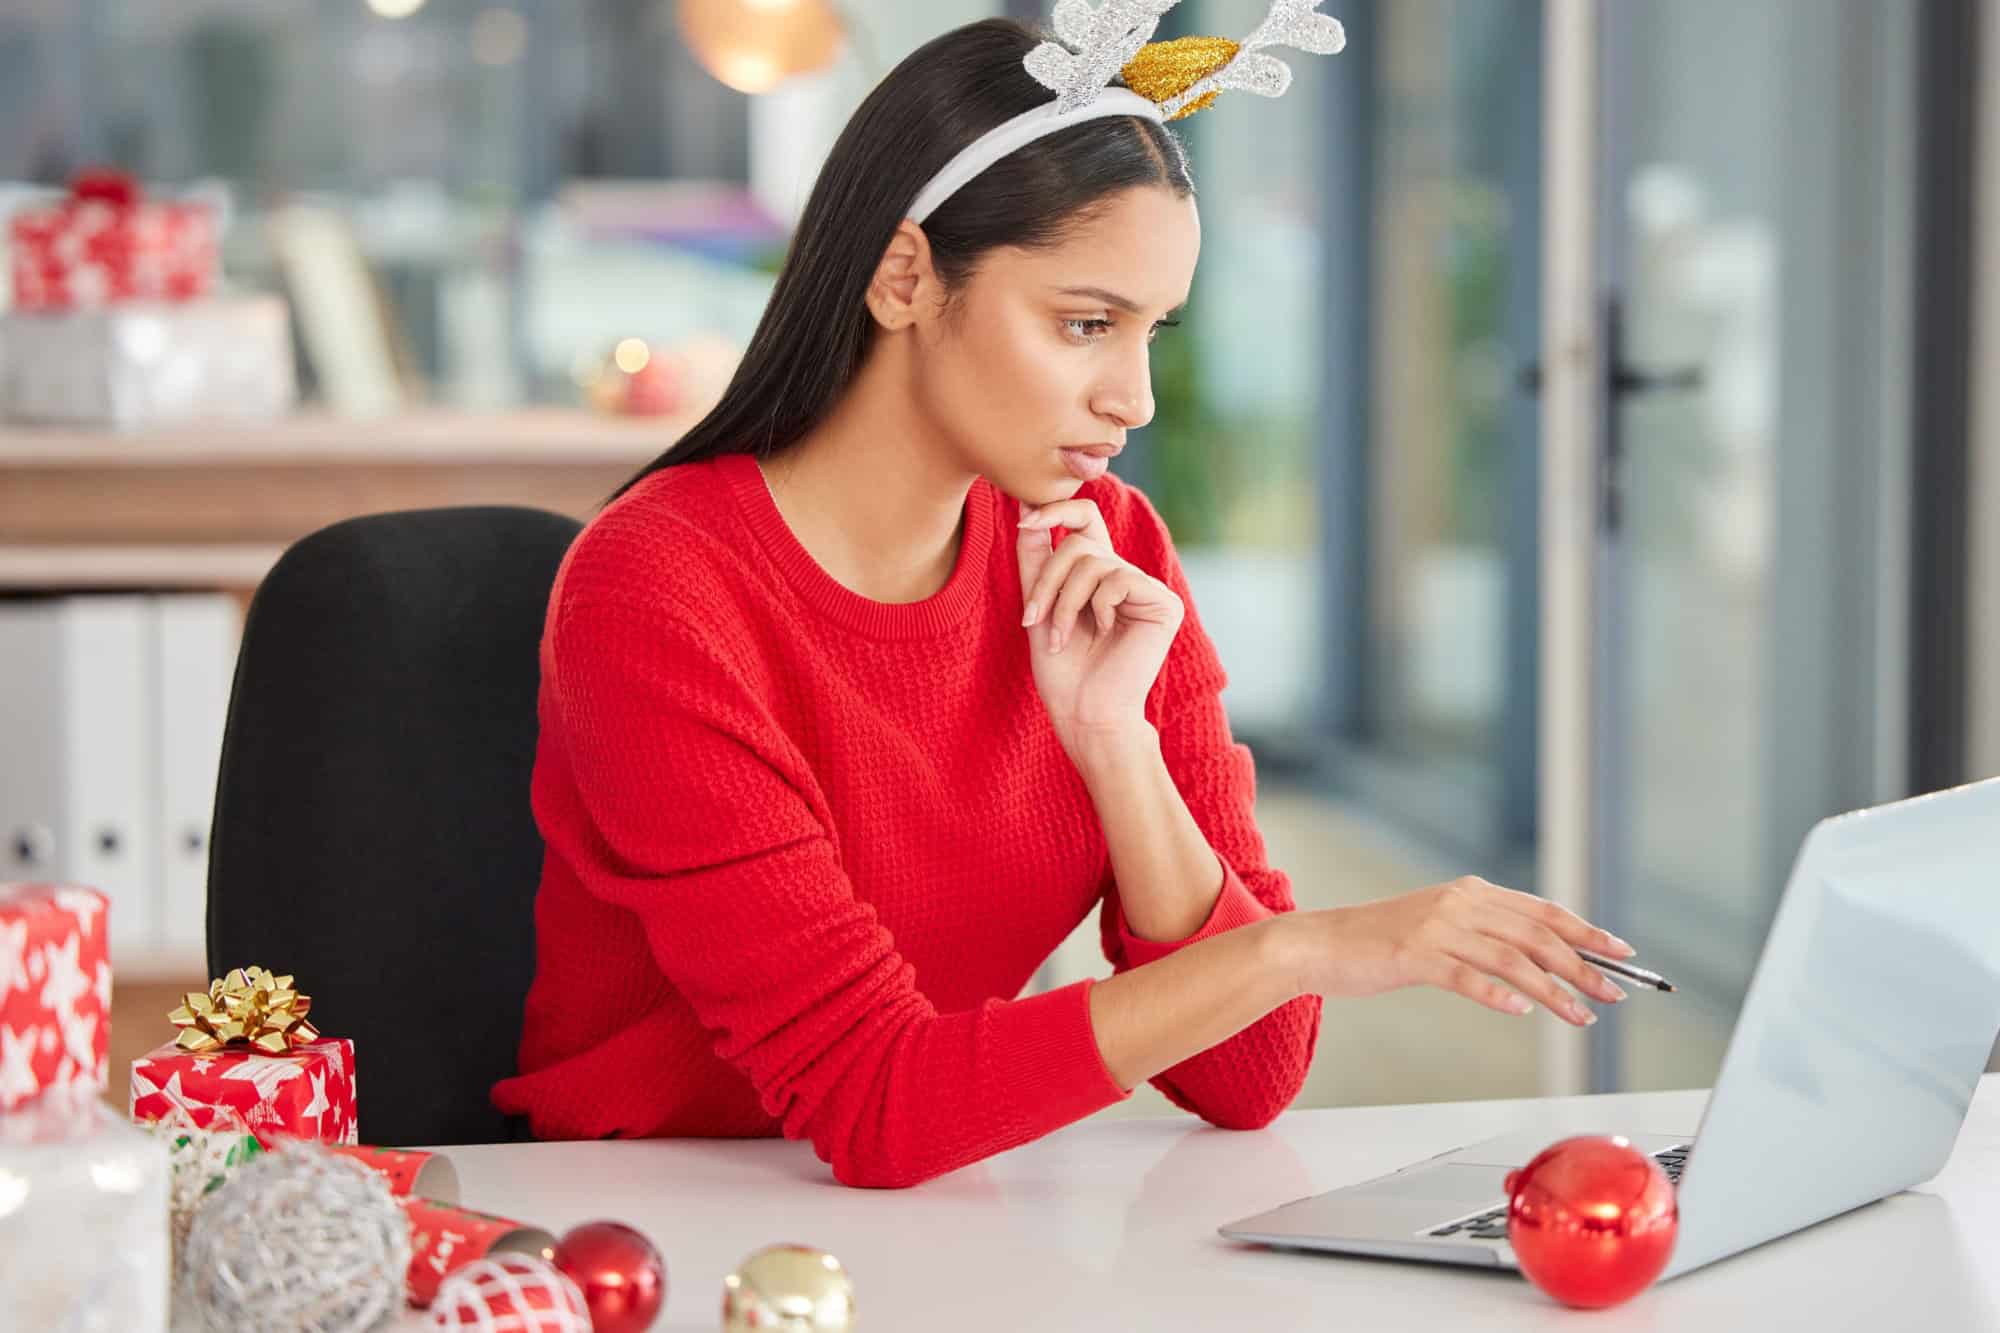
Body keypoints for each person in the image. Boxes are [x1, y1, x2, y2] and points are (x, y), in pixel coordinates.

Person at [491, 10, 1633, 1189]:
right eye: (1084, 325)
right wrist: (1304, 943)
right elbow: (875, 1102)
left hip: (944, 1208)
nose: (1132, 398)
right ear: (902, 278)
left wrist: (1114, 745)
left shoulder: (1107, 550)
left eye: (1150, 332)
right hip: (658, 1220)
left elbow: (1248, 1075)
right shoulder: (662, 586)